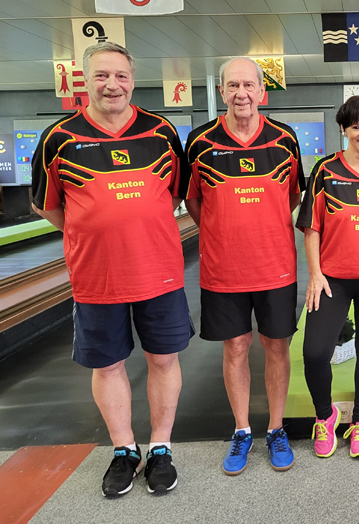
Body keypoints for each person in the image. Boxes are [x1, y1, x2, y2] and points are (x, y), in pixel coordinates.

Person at [31, 42, 194, 496]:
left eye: (120, 75)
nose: (112, 84)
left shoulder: (161, 132)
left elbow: (173, 193)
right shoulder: (58, 139)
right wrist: (91, 230)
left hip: (158, 270)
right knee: (107, 365)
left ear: (133, 80)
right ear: (84, 80)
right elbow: (47, 205)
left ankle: (160, 447)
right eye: (101, 75)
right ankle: (124, 450)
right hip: (96, 276)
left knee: (164, 359)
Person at [183, 57, 304, 475]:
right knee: (235, 347)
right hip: (224, 270)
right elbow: (194, 201)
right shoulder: (200, 142)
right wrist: (223, 231)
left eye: (249, 85)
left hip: (275, 266)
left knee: (276, 346)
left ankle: (275, 429)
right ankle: (241, 430)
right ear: (221, 91)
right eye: (233, 85)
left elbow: (291, 196)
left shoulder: (284, 139)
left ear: (262, 91)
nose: (241, 94)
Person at [296, 96, 359, 459]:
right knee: (314, 353)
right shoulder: (325, 170)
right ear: (343, 129)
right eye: (356, 126)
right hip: (332, 280)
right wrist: (315, 274)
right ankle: (325, 416)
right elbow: (312, 226)